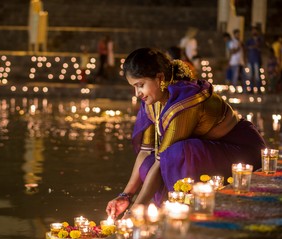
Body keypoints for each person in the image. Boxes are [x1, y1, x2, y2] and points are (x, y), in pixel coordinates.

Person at [105, 47, 266, 219]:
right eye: (134, 87)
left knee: (178, 153)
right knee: (148, 163)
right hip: (210, 153)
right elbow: (146, 152)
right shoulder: (152, 101)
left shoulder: (184, 101)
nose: (137, 94)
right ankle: (161, 213)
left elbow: (163, 161)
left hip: (241, 152)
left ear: (159, 78)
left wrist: (134, 212)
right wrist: (126, 196)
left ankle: (181, 214)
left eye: (140, 85)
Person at [245, 26, 264, 92]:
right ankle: (251, 89)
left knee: (257, 75)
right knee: (250, 75)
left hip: (257, 59)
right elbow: (246, 48)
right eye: (253, 31)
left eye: (255, 31)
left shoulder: (260, 40)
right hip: (250, 60)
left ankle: (259, 89)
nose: (254, 32)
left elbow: (261, 48)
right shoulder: (249, 40)